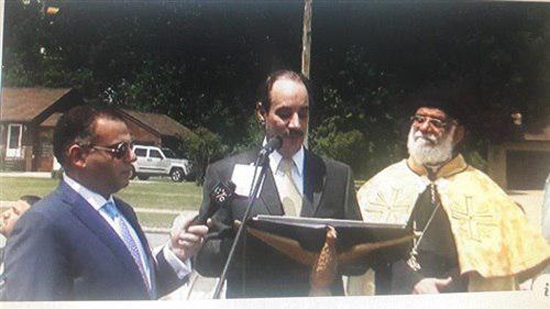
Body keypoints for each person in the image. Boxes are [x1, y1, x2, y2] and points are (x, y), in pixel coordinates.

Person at [355, 87, 550, 294]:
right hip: (395, 293)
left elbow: (500, 258)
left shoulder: (484, 190)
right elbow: (364, 249)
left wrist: (451, 282)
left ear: (457, 133)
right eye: (419, 119)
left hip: (460, 294)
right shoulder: (382, 183)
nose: (424, 127)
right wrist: (411, 281)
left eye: (436, 122)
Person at [4, 105, 208, 300]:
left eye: (131, 146)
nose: (133, 156)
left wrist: (177, 253)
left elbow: (140, 288)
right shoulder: (42, 224)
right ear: (78, 156)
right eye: (120, 150)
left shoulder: (123, 212)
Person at [194, 70, 365, 298]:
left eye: (303, 114)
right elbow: (204, 259)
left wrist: (333, 259)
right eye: (284, 113)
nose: (295, 124)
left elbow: (359, 261)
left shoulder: (337, 176)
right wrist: (249, 248)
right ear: (261, 113)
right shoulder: (226, 174)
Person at [0, 195, 41, 300]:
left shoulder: (26, 269)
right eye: (10, 208)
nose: (5, 214)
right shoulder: (4, 252)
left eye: (15, 212)